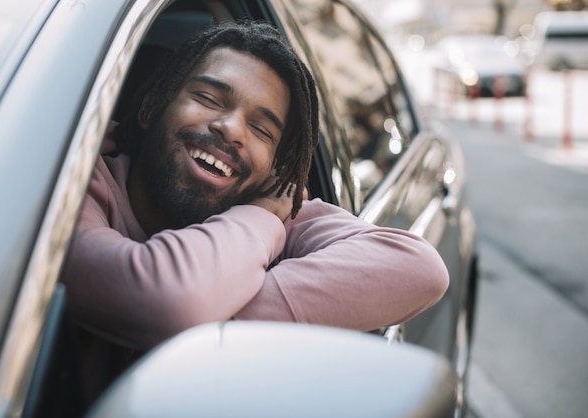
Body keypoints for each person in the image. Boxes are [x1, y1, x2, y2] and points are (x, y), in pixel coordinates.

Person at [60, 21, 449, 403]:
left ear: (273, 170)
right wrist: (248, 239)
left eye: (262, 130)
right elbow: (172, 300)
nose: (231, 129)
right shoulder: (70, 190)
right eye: (209, 98)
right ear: (152, 106)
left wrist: (259, 220)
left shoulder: (269, 206)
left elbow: (420, 268)